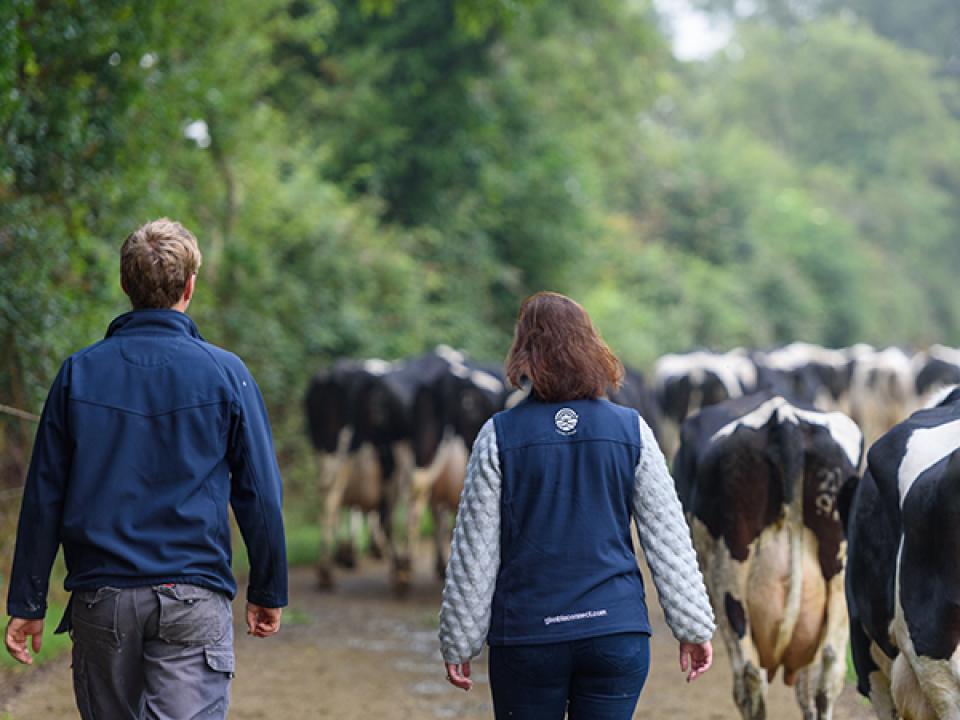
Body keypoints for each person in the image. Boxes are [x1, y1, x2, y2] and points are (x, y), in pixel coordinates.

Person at [4, 219, 288, 719]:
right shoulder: (227, 374)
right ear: (190, 286)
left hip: (103, 599)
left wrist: (28, 602)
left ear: (124, 285)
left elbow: (44, 493)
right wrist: (268, 588)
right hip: (194, 598)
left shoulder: (79, 373)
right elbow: (259, 494)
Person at [438, 291, 715, 719]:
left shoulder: (499, 435)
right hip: (615, 634)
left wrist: (460, 639)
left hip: (528, 639)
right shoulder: (631, 430)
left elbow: (474, 552)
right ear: (591, 346)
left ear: (523, 351)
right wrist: (693, 627)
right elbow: (668, 538)